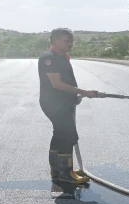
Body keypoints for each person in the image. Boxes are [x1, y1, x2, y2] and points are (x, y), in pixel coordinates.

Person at [38, 28, 98, 184]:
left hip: (62, 102)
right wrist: (83, 91)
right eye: (66, 41)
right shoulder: (49, 58)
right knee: (67, 135)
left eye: (71, 41)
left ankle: (58, 171)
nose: (70, 44)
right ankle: (66, 174)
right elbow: (56, 84)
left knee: (59, 134)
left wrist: (74, 96)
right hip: (54, 104)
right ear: (55, 40)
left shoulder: (61, 57)